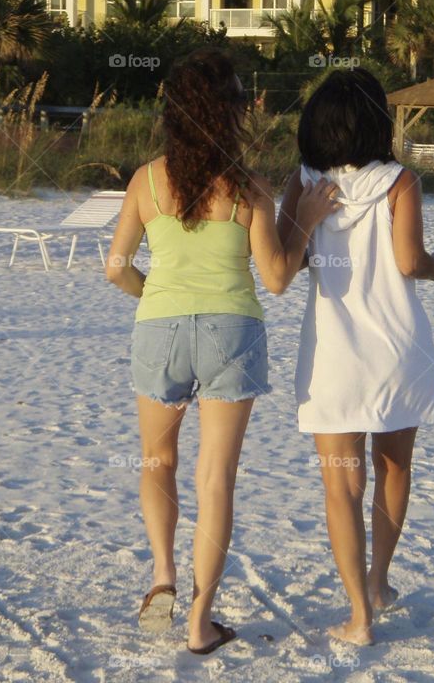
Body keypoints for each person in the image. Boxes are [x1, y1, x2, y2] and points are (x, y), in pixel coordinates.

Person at [105, 48, 339, 655]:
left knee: (157, 462)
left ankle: (163, 574)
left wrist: (152, 294)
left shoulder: (145, 180)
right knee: (217, 477)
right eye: (240, 99)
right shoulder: (246, 186)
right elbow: (280, 276)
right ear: (228, 113)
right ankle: (200, 621)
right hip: (232, 332)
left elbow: (115, 268)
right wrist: (306, 219)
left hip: (159, 327)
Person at [277, 68, 434, 645]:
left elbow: (289, 262)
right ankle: (380, 581)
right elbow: (410, 262)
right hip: (396, 350)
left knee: (341, 485)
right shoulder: (399, 181)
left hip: (333, 356)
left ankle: (358, 614)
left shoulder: (302, 183)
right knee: (394, 467)